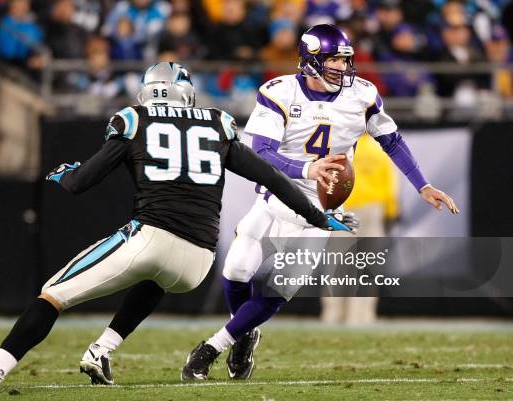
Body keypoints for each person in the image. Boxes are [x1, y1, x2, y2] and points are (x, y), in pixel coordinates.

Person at [0, 61, 357, 388]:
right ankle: (102, 350)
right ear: (187, 93)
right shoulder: (217, 121)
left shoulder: (134, 118)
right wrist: (318, 216)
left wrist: (63, 174)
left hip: (152, 235)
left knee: (52, 295)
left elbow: (79, 184)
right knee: (156, 277)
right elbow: (271, 176)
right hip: (198, 261)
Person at [181, 24, 459, 381]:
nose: (343, 68)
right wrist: (305, 168)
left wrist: (423, 185)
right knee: (235, 272)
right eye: (334, 61)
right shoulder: (279, 92)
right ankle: (245, 336)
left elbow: (391, 140)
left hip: (319, 213)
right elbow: (260, 152)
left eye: (346, 61)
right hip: (274, 199)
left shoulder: (362, 95)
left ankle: (212, 347)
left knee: (277, 291)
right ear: (311, 60)